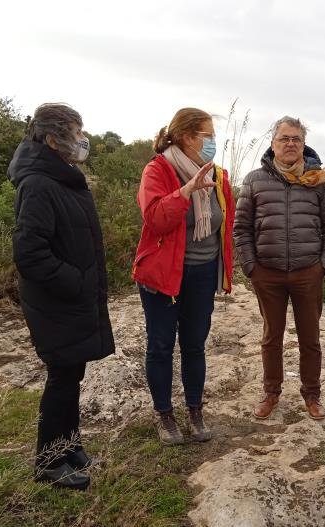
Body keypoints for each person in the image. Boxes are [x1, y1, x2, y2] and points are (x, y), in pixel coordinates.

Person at [10, 103, 115, 490]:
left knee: (72, 373)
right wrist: (74, 281)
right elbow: (29, 253)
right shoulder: (38, 183)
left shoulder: (62, 175)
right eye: (75, 131)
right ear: (52, 139)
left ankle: (69, 445)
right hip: (56, 300)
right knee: (62, 377)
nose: (82, 138)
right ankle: (49, 462)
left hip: (69, 298)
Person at [234, 116, 325, 421]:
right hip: (267, 273)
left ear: (303, 144)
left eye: (296, 139)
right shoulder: (254, 180)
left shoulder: (319, 181)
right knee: (271, 337)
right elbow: (241, 227)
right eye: (284, 138)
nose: (290, 144)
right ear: (272, 144)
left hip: (307, 271)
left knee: (310, 337)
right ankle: (271, 393)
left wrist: (323, 265)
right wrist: (251, 266)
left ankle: (312, 394)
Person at [132, 107, 234, 445]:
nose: (213, 142)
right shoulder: (158, 170)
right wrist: (186, 190)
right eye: (208, 135)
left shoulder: (218, 175)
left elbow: (225, 223)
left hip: (203, 273)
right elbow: (157, 219)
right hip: (164, 275)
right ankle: (164, 414)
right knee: (161, 344)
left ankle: (194, 410)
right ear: (188, 136)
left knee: (195, 344)